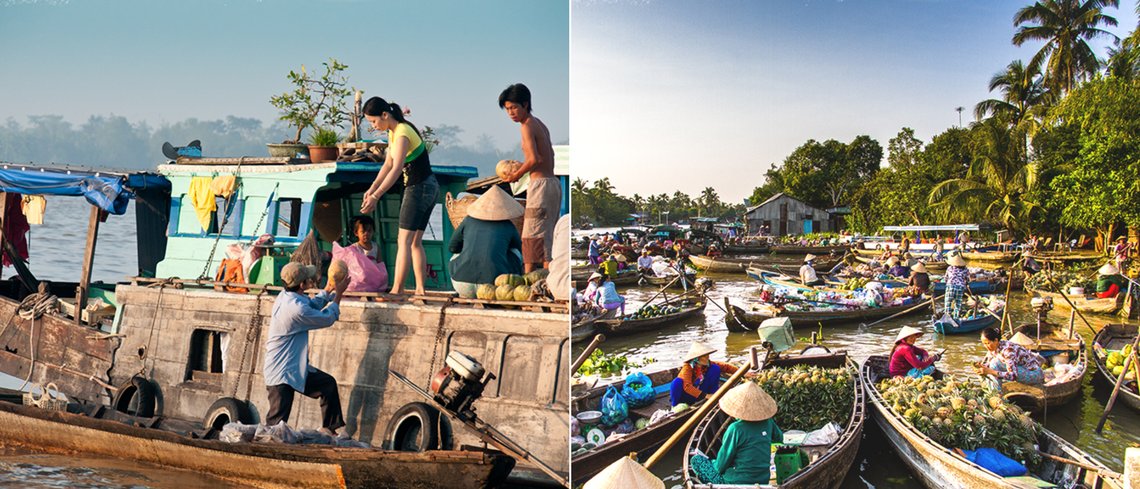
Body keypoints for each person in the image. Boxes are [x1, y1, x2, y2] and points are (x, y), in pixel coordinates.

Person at [359, 96, 438, 295]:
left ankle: (397, 290)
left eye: (374, 121)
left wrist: (376, 197)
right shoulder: (394, 132)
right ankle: (420, 290)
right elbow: (387, 165)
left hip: (418, 188)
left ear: (385, 115)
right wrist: (372, 188)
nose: (374, 126)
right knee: (414, 242)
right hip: (429, 187)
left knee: (403, 241)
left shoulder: (402, 133)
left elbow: (395, 170)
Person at [264, 262, 349, 435]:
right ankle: (267, 451)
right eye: (308, 280)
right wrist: (339, 294)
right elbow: (326, 318)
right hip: (282, 372)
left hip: (295, 367)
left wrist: (328, 289)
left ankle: (329, 428)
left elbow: (311, 305)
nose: (311, 281)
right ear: (301, 285)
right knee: (276, 426)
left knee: (327, 385)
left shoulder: (286, 296)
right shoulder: (295, 309)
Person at [499, 83, 562, 274]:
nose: (510, 113)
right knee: (546, 237)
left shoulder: (526, 126)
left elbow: (535, 159)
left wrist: (516, 175)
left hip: (541, 185)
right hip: (553, 184)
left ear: (525, 104)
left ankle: (530, 281)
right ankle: (547, 281)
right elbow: (545, 155)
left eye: (514, 107)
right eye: (507, 109)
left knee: (532, 236)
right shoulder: (539, 123)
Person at [688, 382, 783, 485]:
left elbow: (720, 467)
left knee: (696, 460)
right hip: (763, 480)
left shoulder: (735, 429)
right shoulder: (768, 422)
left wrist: (713, 462)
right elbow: (779, 438)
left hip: (736, 482)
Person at [448, 186, 524, 298]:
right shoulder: (508, 225)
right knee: (516, 252)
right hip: (495, 286)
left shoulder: (468, 220)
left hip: (462, 284)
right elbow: (519, 249)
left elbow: (452, 247)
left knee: (456, 255)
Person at [671, 342, 740, 407]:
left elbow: (725, 366)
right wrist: (706, 395)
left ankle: (714, 395)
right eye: (705, 356)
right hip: (689, 395)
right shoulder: (687, 367)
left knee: (715, 368)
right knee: (677, 382)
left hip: (702, 391)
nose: (708, 357)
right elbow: (687, 386)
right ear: (696, 359)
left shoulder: (707, 364)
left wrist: (741, 372)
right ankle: (675, 406)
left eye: (708, 355)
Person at [975, 328, 1045, 389]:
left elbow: (1012, 375)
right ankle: (994, 394)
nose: (986, 346)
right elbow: (987, 364)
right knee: (992, 364)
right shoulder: (994, 349)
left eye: (988, 343)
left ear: (996, 340)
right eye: (984, 344)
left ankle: (996, 395)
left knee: (994, 364)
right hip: (1021, 370)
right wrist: (981, 368)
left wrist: (990, 371)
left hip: (1035, 375)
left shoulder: (1008, 351)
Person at [550, 215, 571, 302]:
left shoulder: (563, 220)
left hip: (555, 288)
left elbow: (554, 256)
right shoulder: (565, 220)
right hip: (568, 291)